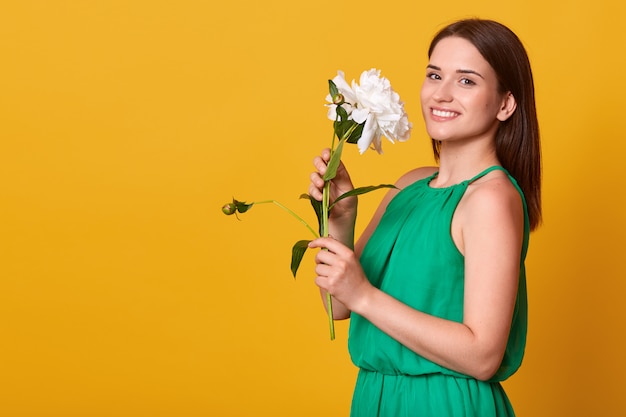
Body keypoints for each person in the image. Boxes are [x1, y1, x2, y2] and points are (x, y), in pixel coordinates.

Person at [307, 18, 541, 417]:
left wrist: (365, 294)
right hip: (374, 400)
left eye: (466, 81)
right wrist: (341, 221)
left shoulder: (491, 199)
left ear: (505, 103)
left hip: (445, 406)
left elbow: (483, 355)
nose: (442, 94)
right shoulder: (409, 186)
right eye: (435, 75)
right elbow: (338, 308)